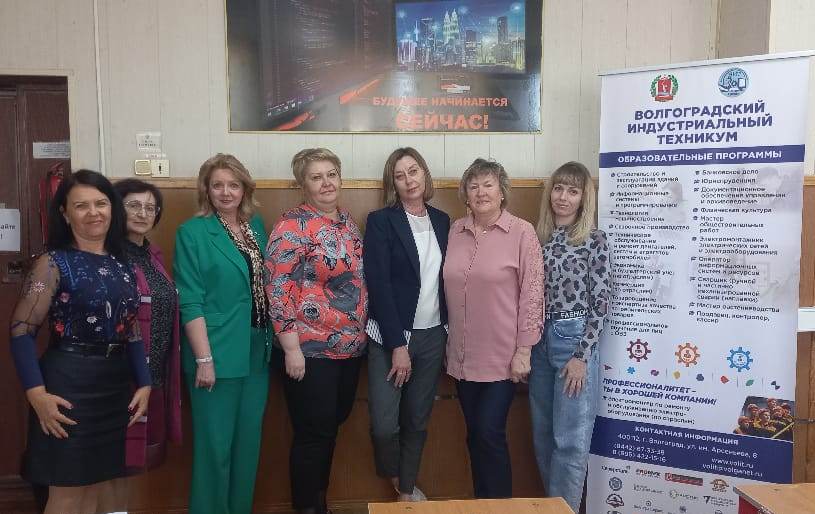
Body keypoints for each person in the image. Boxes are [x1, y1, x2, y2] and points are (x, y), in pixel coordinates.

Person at [9, 169, 151, 514]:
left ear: (112, 208)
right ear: (65, 213)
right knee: (69, 492)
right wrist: (36, 394)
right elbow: (21, 331)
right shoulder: (52, 263)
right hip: (67, 387)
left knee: (106, 489)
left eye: (100, 203)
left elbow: (131, 328)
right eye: (81, 205)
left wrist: (144, 383)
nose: (93, 212)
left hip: (114, 388)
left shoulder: (123, 264)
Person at [265, 148, 367, 514]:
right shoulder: (291, 226)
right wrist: (291, 348)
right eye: (316, 177)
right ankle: (308, 508)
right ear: (302, 184)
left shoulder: (347, 222)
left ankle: (318, 502)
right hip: (308, 351)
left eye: (331, 175)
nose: (326, 183)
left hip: (349, 349)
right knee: (313, 435)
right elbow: (278, 288)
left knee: (329, 428)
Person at [174, 154, 272, 514]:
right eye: (217, 185)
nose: (226, 192)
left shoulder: (255, 226)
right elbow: (190, 300)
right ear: (206, 189)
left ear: (245, 188)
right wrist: (204, 359)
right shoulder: (192, 233)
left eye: (233, 184)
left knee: (247, 448)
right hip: (214, 352)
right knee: (214, 451)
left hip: (256, 351)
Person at [443, 158, 544, 499]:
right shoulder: (455, 230)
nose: (481, 192)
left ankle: (499, 505)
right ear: (465, 195)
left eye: (488, 185)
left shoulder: (522, 232)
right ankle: (483, 503)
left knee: (489, 433)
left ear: (502, 192)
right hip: (462, 357)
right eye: (473, 186)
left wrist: (524, 350)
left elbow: (533, 293)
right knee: (474, 435)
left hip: (503, 358)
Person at [363, 148, 450, 501]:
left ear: (424, 173)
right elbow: (379, 284)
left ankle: (405, 493)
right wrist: (398, 344)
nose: (409, 180)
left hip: (433, 335)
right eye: (400, 176)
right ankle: (398, 477)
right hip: (390, 336)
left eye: (413, 171)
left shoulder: (443, 221)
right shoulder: (381, 221)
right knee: (384, 425)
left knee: (417, 419)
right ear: (393, 184)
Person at [528, 161, 610, 512]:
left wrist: (582, 355)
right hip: (539, 341)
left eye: (573, 191)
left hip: (573, 339)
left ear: (583, 198)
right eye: (559, 189)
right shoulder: (539, 238)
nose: (563, 197)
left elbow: (601, 303)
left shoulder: (594, 240)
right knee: (543, 435)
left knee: (570, 440)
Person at [114, 178, 182, 473]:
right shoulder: (110, 256)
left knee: (143, 459)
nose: (143, 213)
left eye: (150, 208)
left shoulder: (152, 255)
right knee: (116, 459)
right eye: (133, 205)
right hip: (122, 376)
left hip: (156, 372)